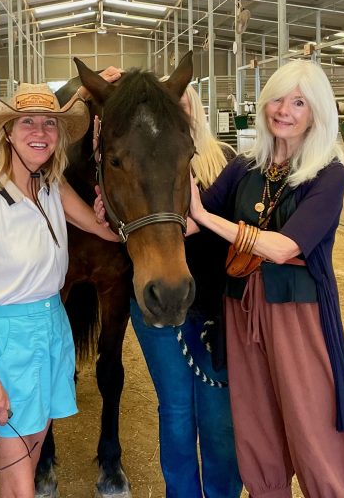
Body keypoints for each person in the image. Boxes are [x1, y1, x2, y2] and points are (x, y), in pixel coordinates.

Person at [188, 60, 344, 498]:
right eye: (277, 98)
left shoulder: (327, 174)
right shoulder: (245, 167)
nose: (283, 110)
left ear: (316, 112)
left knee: (312, 417)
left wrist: (203, 216)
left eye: (298, 102)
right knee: (254, 417)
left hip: (297, 311)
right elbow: (191, 224)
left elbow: (284, 248)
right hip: (241, 305)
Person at [0, 83, 118, 498]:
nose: (40, 131)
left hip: (52, 330)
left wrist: (109, 211)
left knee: (29, 456)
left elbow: (104, 232)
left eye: (50, 123)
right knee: (19, 481)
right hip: (7, 343)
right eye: (28, 121)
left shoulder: (52, 186)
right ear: (7, 132)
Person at [129, 83, 242, 498]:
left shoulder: (226, 163)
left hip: (213, 307)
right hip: (159, 302)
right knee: (175, 409)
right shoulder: (138, 166)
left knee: (218, 414)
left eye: (177, 105)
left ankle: (222, 492)